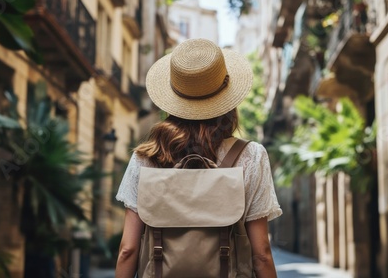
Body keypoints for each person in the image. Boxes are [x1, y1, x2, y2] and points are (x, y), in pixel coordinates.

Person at [114, 38, 282, 278]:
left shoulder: (147, 158)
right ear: (227, 99)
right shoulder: (250, 156)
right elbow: (262, 254)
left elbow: (128, 250)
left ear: (173, 100)